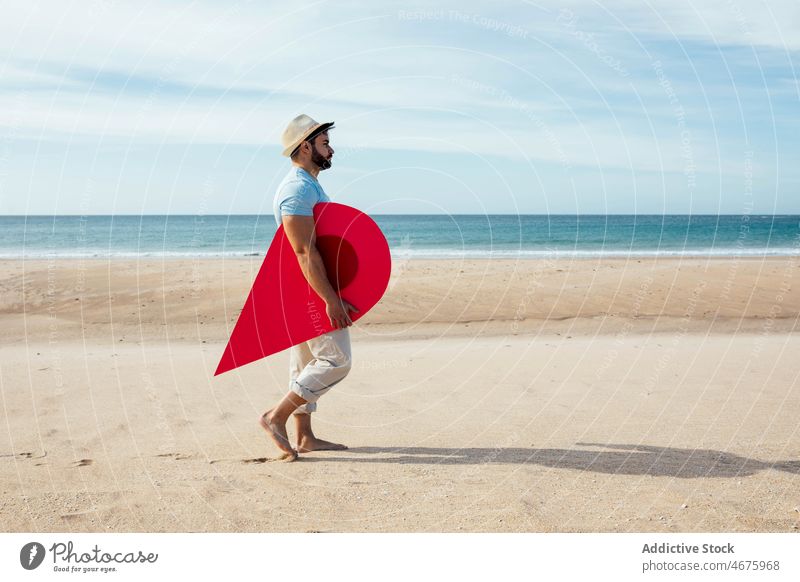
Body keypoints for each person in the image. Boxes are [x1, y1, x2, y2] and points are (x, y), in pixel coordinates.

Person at [259, 114, 358, 461]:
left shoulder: (308, 185)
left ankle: (304, 437)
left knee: (305, 363)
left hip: (303, 288)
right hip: (311, 289)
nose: (331, 149)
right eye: (324, 143)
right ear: (305, 146)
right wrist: (331, 300)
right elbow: (304, 250)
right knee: (337, 360)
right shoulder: (297, 189)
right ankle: (276, 417)